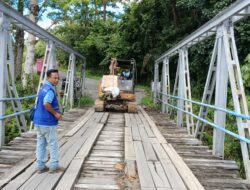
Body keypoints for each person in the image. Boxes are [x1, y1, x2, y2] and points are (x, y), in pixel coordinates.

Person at [33, 69, 63, 174]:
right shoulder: (50, 90)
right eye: (54, 78)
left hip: (38, 121)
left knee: (41, 143)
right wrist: (56, 114)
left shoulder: (43, 88)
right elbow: (46, 103)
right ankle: (54, 166)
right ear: (48, 78)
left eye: (58, 78)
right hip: (48, 122)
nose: (57, 80)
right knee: (52, 143)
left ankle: (40, 166)